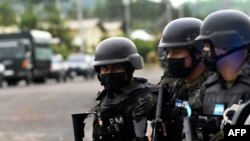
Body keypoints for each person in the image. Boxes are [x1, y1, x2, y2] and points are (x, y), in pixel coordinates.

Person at [148, 17, 212, 141]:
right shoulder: (172, 86)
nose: (170, 57)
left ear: (198, 52)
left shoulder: (215, 87)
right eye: (168, 52)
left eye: (176, 52)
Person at [195, 9, 250, 141]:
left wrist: (230, 132)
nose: (204, 50)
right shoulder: (208, 85)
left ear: (224, 45)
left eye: (208, 45)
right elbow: (192, 116)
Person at [91, 37, 158, 141]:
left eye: (116, 67)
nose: (109, 73)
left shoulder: (144, 98)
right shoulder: (105, 99)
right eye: (105, 68)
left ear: (129, 69)